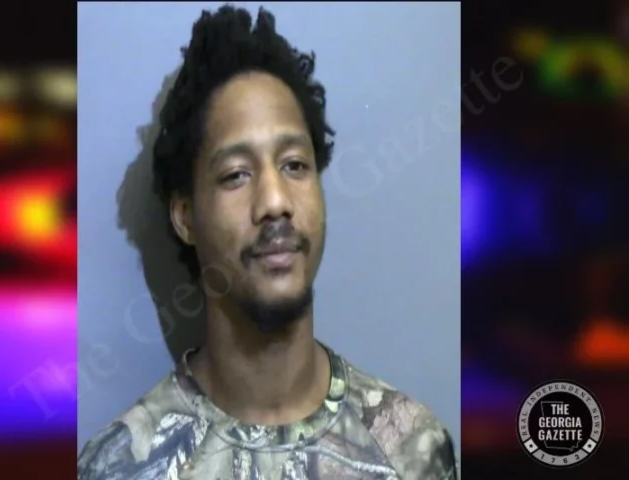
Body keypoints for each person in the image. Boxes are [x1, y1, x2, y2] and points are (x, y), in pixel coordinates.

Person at [78, 5, 458, 479]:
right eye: (236, 174)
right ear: (186, 217)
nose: (275, 201)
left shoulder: (413, 450)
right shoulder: (121, 466)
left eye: (295, 165)